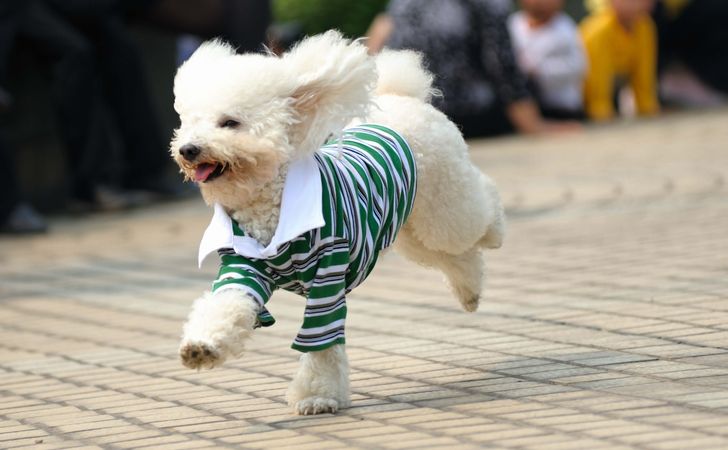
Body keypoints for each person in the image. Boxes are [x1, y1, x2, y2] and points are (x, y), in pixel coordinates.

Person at [371, 0, 576, 138]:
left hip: (404, 112)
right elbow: (502, 64)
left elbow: (380, 30)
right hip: (461, 113)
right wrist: (534, 126)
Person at [580, 0, 659, 121]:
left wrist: (647, 107)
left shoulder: (645, 26)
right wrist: (601, 111)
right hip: (583, 100)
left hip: (613, 91)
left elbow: (644, 73)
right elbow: (596, 78)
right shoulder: (600, 31)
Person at [509, 0, 587, 119]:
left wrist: (538, 70)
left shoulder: (566, 28)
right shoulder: (513, 24)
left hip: (560, 109)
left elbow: (578, 67)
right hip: (521, 109)